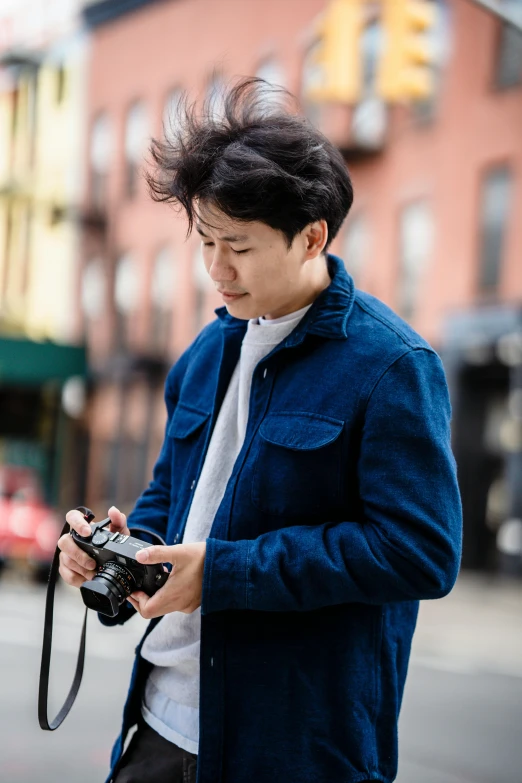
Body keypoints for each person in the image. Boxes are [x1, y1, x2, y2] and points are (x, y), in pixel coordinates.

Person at [58, 78, 462, 783]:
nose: (216, 268)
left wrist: (222, 574)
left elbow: (420, 551)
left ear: (312, 236)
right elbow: (172, 498)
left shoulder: (392, 365)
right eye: (206, 240)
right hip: (158, 727)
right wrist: (121, 557)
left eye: (238, 246)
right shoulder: (205, 354)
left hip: (295, 748)